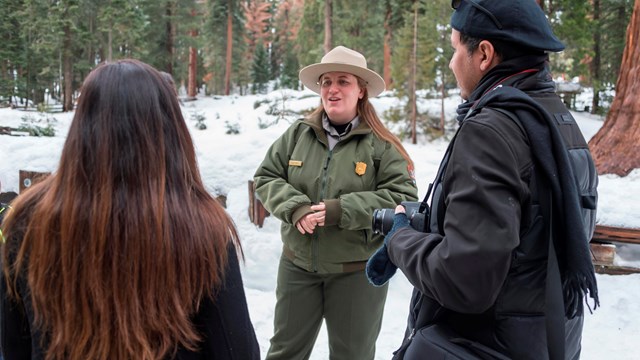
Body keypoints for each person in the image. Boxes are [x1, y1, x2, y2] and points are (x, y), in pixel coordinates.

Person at [366, 1, 599, 359]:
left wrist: (400, 238)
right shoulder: (561, 125)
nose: (451, 62)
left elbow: (465, 280)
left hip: (485, 344)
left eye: (455, 48)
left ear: (485, 54)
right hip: (547, 341)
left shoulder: (492, 131)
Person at [0, 59, 259, 360]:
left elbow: (11, 343)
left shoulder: (25, 220)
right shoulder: (200, 225)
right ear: (170, 129)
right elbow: (236, 348)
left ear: (82, 124)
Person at [254, 45, 418, 360]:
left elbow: (403, 199)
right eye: (326, 81)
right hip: (298, 266)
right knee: (284, 353)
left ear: (361, 90)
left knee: (352, 355)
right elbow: (266, 177)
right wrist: (295, 207)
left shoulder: (381, 145)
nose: (332, 89)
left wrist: (340, 210)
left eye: (343, 81)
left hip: (356, 272)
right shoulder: (298, 134)